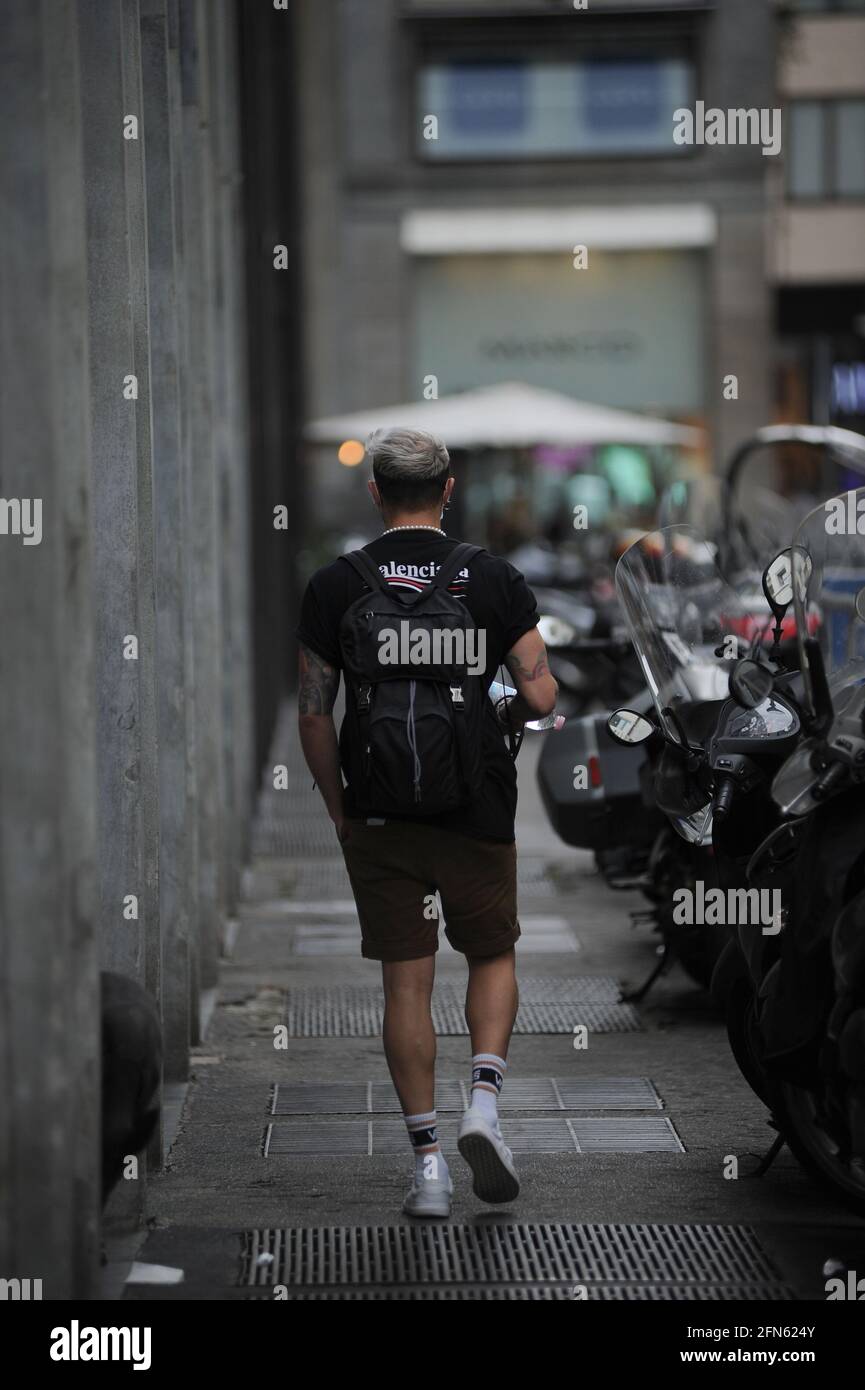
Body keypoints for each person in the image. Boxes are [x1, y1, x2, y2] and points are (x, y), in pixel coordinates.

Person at [295, 427, 557, 1217]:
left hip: (379, 814)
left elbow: (313, 715)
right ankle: (483, 1105)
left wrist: (341, 810)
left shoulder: (336, 585)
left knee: (404, 984)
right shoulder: (492, 579)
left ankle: (430, 1171)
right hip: (475, 808)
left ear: (375, 493)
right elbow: (541, 697)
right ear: (448, 490)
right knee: (490, 953)